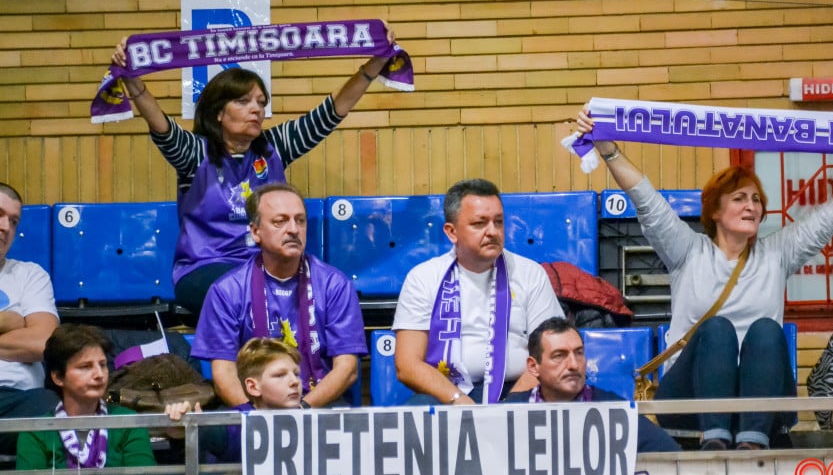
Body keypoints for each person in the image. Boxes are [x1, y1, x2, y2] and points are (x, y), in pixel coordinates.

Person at [577, 107, 833, 450]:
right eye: (739, 198)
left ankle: (752, 442)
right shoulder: (687, 251)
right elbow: (645, 199)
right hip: (692, 401)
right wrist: (608, 147)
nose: (751, 206)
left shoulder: (777, 254)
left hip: (762, 403)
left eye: (756, 200)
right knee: (717, 329)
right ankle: (716, 440)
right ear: (714, 211)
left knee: (768, 330)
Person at [110, 24, 396, 313]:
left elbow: (331, 112)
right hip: (204, 271)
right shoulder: (196, 154)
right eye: (243, 101)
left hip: (268, 267)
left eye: (261, 102)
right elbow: (161, 126)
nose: (256, 109)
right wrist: (132, 80)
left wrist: (376, 64)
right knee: (255, 288)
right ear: (219, 112)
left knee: (333, 289)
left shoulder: (274, 147)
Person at [190, 183, 367, 408]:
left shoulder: (335, 285)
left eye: (300, 220)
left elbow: (347, 369)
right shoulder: (227, 291)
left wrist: (302, 411)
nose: (293, 229)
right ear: (256, 232)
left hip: (320, 404)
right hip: (254, 405)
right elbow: (224, 373)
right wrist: (258, 418)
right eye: (280, 221)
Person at [393, 178, 564, 405]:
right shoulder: (423, 278)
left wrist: (510, 405)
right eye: (479, 223)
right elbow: (407, 365)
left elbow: (554, 352)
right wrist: (457, 399)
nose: (492, 231)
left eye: (499, 222)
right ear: (451, 232)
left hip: (520, 389)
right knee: (416, 410)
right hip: (449, 392)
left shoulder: (530, 273)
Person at [503, 317, 680, 453]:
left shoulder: (613, 410)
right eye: (559, 355)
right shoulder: (507, 413)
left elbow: (670, 455)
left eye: (579, 353)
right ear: (534, 367)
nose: (573, 364)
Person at [16, 324, 156, 470]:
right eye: (85, 366)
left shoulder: (128, 422)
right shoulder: (35, 432)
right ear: (58, 377)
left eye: (102, 365)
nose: (99, 374)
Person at [168, 337, 308, 463]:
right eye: (279, 375)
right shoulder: (231, 425)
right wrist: (183, 427)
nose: (294, 381)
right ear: (253, 387)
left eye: (296, 374)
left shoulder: (316, 420)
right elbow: (197, 441)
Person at [0, 182, 59, 454]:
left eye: (13, 221)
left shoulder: (29, 275)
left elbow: (41, 344)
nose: (5, 227)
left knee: (56, 412)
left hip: (19, 400)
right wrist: (11, 320)